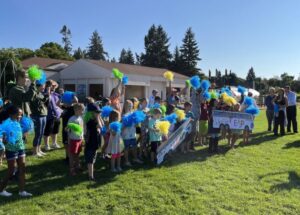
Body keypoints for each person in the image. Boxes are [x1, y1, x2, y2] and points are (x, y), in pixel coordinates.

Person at [0, 106, 32, 197]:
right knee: (11, 170)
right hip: (11, 149)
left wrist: (25, 132)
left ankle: (22, 191)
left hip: (20, 147)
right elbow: (2, 136)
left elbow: (20, 134)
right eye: (18, 115)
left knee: (22, 168)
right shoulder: (5, 124)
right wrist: (4, 140)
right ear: (11, 115)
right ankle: (1, 190)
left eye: (21, 115)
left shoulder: (19, 123)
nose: (20, 117)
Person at [30, 81, 50, 157]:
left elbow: (44, 100)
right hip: (37, 115)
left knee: (41, 133)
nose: (44, 88)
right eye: (42, 86)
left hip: (43, 114)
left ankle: (39, 150)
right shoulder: (34, 93)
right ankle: (34, 152)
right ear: (38, 87)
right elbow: (36, 103)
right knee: (38, 133)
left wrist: (47, 94)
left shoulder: (40, 94)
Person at [85, 103, 104, 179]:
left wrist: (98, 116)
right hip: (91, 143)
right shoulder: (90, 121)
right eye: (97, 112)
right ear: (91, 113)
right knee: (90, 159)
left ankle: (91, 171)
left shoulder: (95, 119)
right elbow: (100, 126)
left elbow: (102, 125)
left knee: (93, 157)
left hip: (94, 142)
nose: (98, 113)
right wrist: (98, 118)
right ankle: (91, 175)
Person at [122, 100, 143, 166]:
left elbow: (137, 124)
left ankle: (135, 158)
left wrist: (139, 132)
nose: (130, 107)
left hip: (133, 134)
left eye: (131, 106)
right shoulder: (124, 116)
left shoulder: (134, 114)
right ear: (125, 106)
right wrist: (126, 125)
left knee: (134, 146)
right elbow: (122, 126)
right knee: (127, 147)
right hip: (126, 134)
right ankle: (126, 161)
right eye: (128, 106)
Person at [44, 80, 63, 150]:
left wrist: (61, 97)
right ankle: (46, 145)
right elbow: (47, 101)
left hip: (56, 114)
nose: (55, 87)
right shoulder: (45, 93)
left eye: (55, 86)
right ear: (48, 86)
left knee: (55, 130)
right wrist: (48, 91)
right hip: (48, 115)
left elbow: (57, 104)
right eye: (53, 86)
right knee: (47, 131)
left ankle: (54, 143)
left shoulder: (56, 94)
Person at [67, 103, 84, 176]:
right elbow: (68, 129)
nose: (82, 111)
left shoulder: (80, 118)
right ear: (76, 110)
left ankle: (77, 165)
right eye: (81, 110)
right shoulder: (72, 119)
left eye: (82, 110)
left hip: (79, 139)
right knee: (72, 155)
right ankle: (71, 169)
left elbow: (81, 128)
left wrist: (82, 136)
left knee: (77, 153)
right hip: (73, 139)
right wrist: (69, 139)